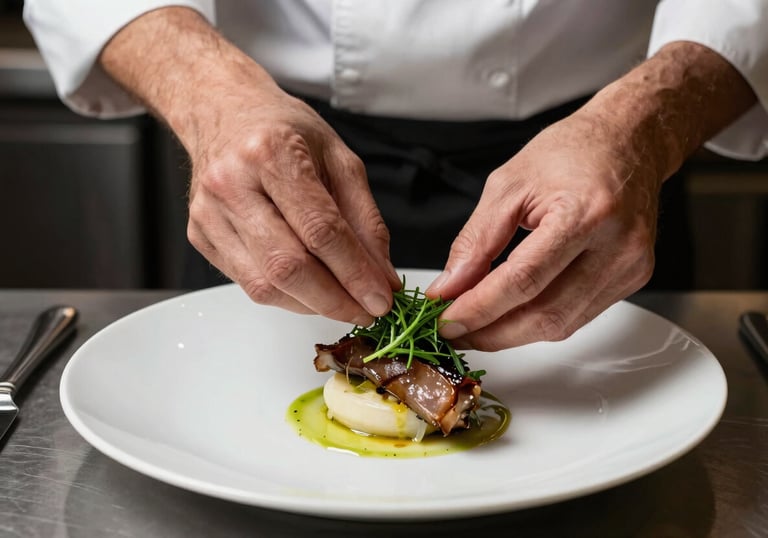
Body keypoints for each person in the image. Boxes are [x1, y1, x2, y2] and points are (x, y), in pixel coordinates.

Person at [24, 2, 766, 351]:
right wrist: (207, 93)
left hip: (602, 161)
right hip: (269, 152)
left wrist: (644, 126)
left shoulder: (625, 143)